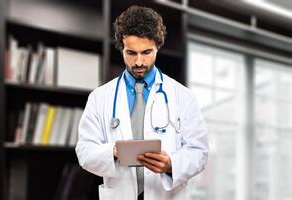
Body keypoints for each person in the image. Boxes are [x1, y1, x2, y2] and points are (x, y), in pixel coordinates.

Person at [76, 5, 208, 200]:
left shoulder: (183, 96)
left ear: (158, 47)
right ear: (121, 47)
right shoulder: (100, 97)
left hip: (165, 194)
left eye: (147, 52)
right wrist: (113, 151)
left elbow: (199, 152)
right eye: (131, 53)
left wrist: (171, 164)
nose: (138, 62)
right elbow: (84, 152)